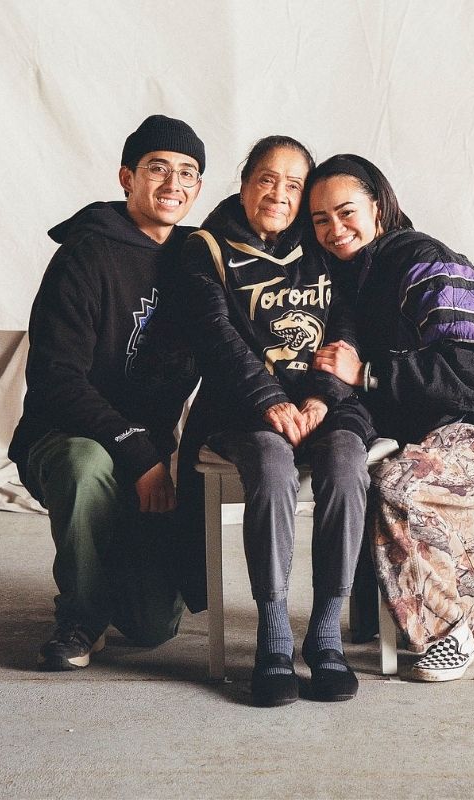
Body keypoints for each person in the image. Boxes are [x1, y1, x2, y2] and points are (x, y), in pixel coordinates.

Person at [308, 154, 474, 682]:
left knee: (400, 485)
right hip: (431, 434)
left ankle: (445, 635)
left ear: (379, 209)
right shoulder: (355, 278)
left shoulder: (421, 262)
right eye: (320, 219)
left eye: (345, 212)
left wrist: (364, 372)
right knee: (458, 581)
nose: (334, 229)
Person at [175, 136, 377, 706]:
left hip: (323, 402)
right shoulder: (205, 248)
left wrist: (321, 396)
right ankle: (273, 632)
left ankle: (324, 633)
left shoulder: (321, 243)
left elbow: (347, 326)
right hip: (242, 406)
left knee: (344, 461)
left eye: (294, 184)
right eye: (268, 178)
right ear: (243, 183)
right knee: (270, 461)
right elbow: (217, 338)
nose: (280, 194)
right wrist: (269, 400)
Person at [9, 115, 206, 670]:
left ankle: (111, 573)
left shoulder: (197, 261)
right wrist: (141, 453)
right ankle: (79, 615)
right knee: (85, 462)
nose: (173, 184)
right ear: (127, 177)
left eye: (188, 174)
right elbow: (56, 376)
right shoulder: (85, 254)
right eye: (157, 169)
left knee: (149, 628)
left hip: (147, 452)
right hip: (69, 436)